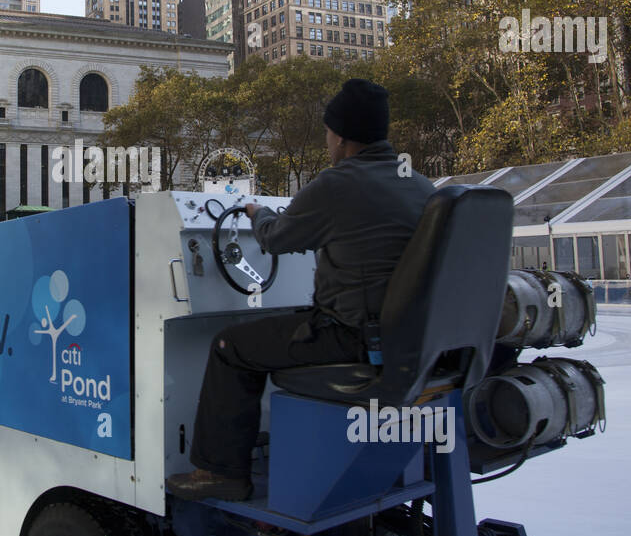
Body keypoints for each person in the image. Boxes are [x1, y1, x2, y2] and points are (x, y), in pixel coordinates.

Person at [167, 79, 436, 502]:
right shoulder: (420, 186)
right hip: (407, 342)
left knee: (229, 345)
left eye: (329, 131)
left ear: (342, 136)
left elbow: (276, 239)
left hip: (347, 337)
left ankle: (221, 473)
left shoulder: (338, 184)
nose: (327, 140)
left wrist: (256, 213)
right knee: (272, 334)